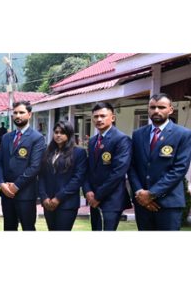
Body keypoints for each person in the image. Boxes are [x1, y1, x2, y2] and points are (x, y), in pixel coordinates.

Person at [129, 93, 191, 230]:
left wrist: (151, 194)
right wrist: (140, 193)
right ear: (148, 109)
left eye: (161, 107)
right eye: (153, 107)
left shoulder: (183, 134)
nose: (156, 110)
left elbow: (179, 169)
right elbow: (132, 166)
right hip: (142, 203)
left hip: (169, 203)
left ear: (170, 110)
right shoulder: (138, 134)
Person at [0, 101, 46, 231]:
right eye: (15, 113)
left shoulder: (37, 138)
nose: (18, 115)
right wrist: (1, 183)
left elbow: (35, 167)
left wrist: (16, 186)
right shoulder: (6, 137)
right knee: (9, 228)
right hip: (6, 193)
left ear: (29, 114)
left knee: (28, 228)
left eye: (21, 112)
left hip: (25, 194)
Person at [82, 102, 132, 231]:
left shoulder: (122, 139)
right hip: (93, 198)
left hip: (111, 200)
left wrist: (98, 196)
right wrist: (87, 191)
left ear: (113, 118)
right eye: (96, 116)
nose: (99, 119)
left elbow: (118, 172)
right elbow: (89, 169)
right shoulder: (93, 141)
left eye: (103, 116)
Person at [38, 121, 87, 231]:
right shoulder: (47, 152)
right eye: (56, 132)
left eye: (62, 132)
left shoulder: (79, 152)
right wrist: (44, 197)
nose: (58, 135)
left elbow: (77, 179)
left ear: (69, 134)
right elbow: (41, 176)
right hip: (48, 203)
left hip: (67, 203)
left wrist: (58, 198)